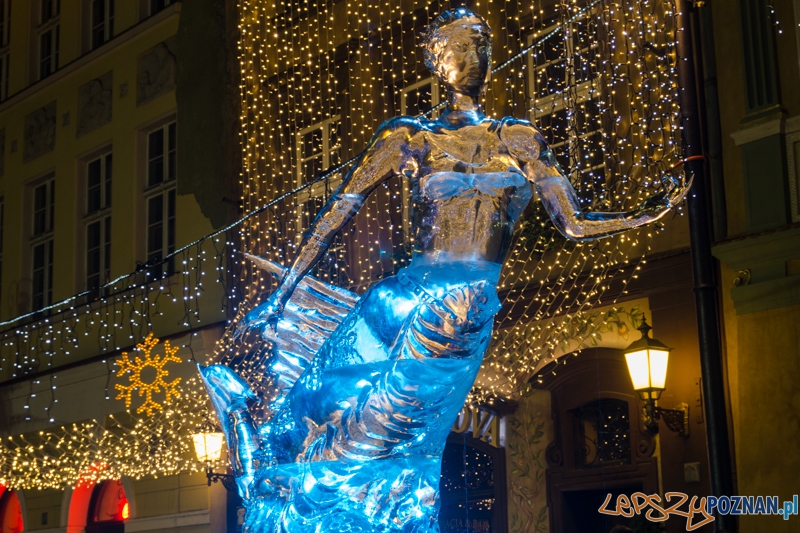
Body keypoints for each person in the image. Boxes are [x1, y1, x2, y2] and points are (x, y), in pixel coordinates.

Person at [200, 8, 689, 533]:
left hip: (464, 303)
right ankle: (260, 450)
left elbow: (571, 223)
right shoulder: (411, 137)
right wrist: (282, 295)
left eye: (483, 44)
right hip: (402, 296)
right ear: (437, 60)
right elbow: (337, 214)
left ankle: (334, 507)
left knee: (404, 432)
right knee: (318, 404)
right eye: (461, 45)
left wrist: (645, 214)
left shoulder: (517, 139)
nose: (475, 56)